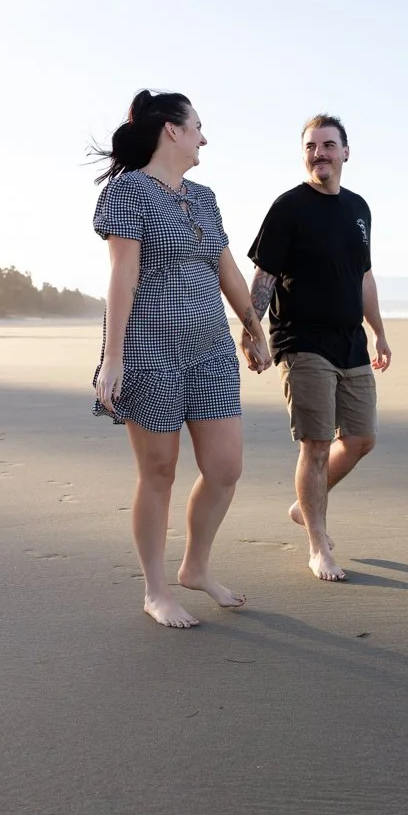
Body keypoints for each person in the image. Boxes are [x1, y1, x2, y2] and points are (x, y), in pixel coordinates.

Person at [91, 89, 271, 628]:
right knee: (160, 471)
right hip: (150, 350)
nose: (204, 137)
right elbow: (122, 276)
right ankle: (156, 590)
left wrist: (252, 326)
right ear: (172, 129)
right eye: (198, 126)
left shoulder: (205, 197)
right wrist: (113, 358)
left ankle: (195, 568)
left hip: (211, 349)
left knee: (225, 468)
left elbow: (226, 267)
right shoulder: (128, 193)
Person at [244, 114, 391, 582]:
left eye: (328, 145)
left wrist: (379, 332)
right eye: (311, 146)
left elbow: (363, 276)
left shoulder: (359, 209)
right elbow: (264, 275)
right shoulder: (289, 208)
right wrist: (252, 331)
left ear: (346, 152)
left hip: (350, 341)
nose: (319, 153)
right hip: (301, 341)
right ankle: (317, 546)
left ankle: (304, 507)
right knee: (317, 444)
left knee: (362, 439)